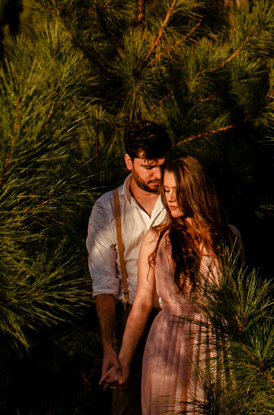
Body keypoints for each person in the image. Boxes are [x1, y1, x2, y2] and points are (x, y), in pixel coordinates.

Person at [111, 156, 243, 415]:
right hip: (168, 343)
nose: (170, 198)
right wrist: (123, 362)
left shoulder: (229, 237)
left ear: (196, 190)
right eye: (167, 190)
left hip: (214, 342)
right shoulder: (157, 238)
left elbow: (237, 302)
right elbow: (142, 303)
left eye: (177, 191)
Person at [87, 120, 171, 415]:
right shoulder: (107, 208)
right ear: (128, 161)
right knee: (126, 406)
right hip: (131, 321)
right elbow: (104, 284)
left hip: (178, 321)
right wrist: (109, 346)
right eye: (148, 165)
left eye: (162, 164)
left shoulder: (180, 199)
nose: (157, 174)